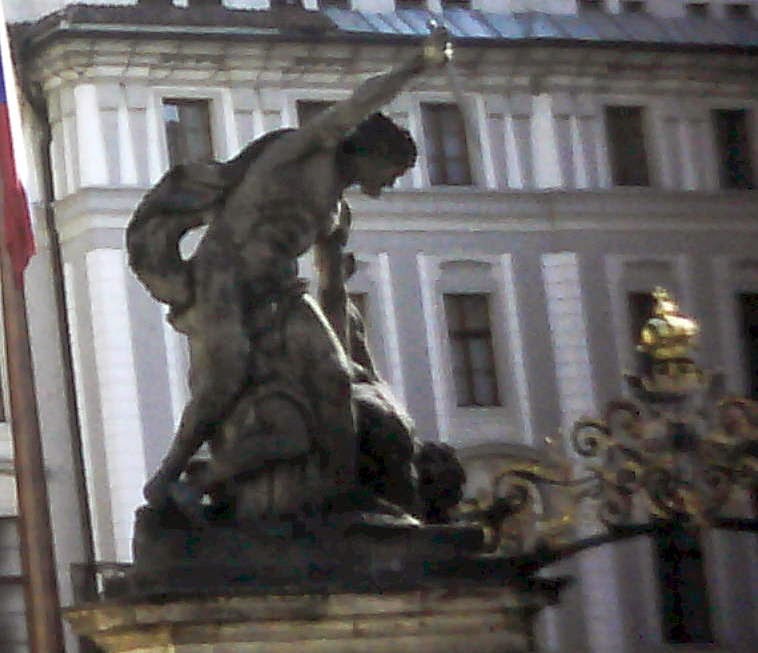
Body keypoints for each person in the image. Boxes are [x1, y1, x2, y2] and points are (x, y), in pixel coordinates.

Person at [127, 26, 453, 511]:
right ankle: (168, 474)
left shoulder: (337, 214)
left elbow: (333, 290)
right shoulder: (302, 154)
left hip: (281, 288)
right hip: (225, 278)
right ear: (371, 152)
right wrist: (416, 65)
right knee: (226, 373)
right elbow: (357, 104)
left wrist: (352, 359)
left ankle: (341, 496)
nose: (389, 185)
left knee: (336, 377)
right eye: (393, 172)